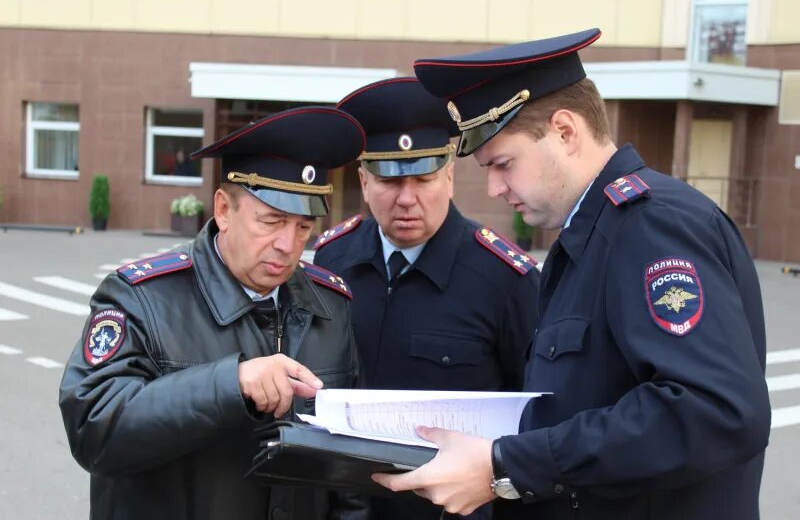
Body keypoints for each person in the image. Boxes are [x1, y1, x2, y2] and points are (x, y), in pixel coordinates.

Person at [372, 28, 772, 520]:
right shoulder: (595, 232)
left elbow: (715, 412)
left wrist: (506, 464)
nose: (495, 188)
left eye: (502, 164)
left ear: (565, 131)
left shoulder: (652, 226)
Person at [59, 106, 368, 520]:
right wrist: (229, 383)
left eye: (302, 227)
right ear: (223, 210)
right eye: (271, 221)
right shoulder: (143, 298)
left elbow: (348, 469)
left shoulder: (331, 305)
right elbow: (94, 430)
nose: (287, 244)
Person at [313, 77, 541, 520]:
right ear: (362, 180)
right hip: (343, 504)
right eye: (389, 181)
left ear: (450, 176)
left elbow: (533, 419)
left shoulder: (503, 278)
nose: (407, 199)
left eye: (424, 179)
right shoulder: (332, 257)